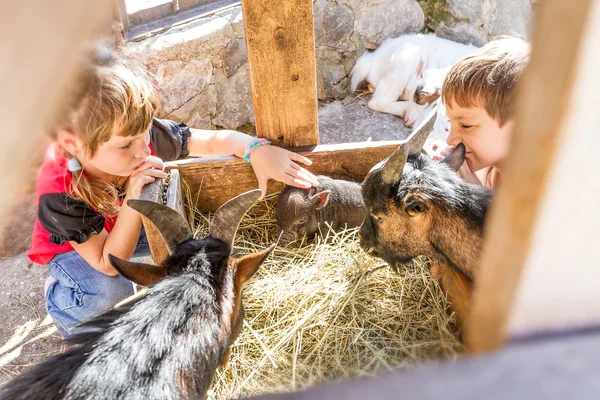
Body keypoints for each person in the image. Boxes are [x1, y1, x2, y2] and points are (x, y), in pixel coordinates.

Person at [28, 44, 319, 337]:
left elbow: (213, 141)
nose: (143, 150)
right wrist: (133, 195)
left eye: (144, 135)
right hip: (79, 253)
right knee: (110, 292)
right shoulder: (59, 191)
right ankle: (70, 306)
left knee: (184, 235)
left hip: (125, 224)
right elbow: (107, 263)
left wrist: (255, 149)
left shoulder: (135, 133)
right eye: (126, 145)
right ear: (73, 143)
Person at [430, 37, 530, 189]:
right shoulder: (486, 168)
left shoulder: (539, 190)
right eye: (451, 123)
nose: (450, 140)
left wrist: (474, 198)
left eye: (466, 125)